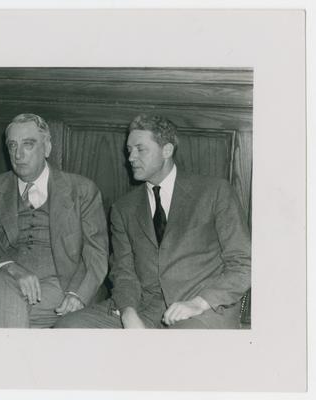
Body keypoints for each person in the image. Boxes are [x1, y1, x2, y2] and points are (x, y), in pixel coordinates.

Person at [56, 114, 251, 329]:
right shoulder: (123, 209)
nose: (130, 157)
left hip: (202, 308)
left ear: (166, 151)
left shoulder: (214, 192)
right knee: (69, 326)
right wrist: (128, 313)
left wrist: (198, 303)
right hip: (145, 307)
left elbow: (244, 264)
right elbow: (124, 272)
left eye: (140, 149)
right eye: (129, 150)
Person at [0, 113, 109, 328]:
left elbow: (96, 252)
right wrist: (13, 268)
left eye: (28, 144)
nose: (18, 154)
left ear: (47, 147)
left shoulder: (81, 189)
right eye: (12, 145)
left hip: (61, 286)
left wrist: (77, 294)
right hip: (4, 279)